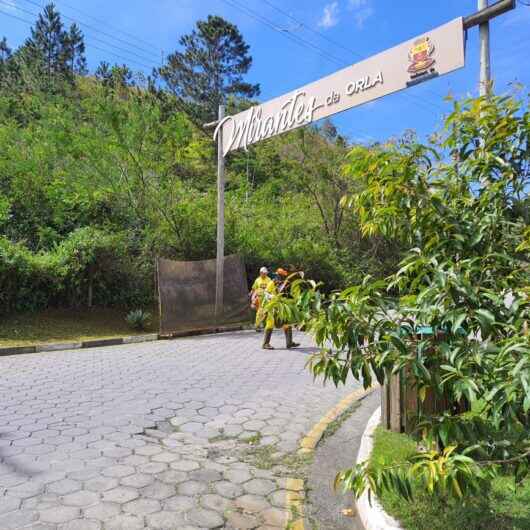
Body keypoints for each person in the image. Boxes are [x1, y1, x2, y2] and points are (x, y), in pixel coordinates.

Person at [262, 268, 301, 350]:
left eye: (282, 276)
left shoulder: (285, 284)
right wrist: (271, 296)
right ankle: (265, 343)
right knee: (270, 323)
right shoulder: (272, 282)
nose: (281, 277)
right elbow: (266, 293)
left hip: (282, 306)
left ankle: (289, 343)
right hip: (273, 306)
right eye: (280, 275)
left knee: (287, 322)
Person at [250, 266, 270, 331]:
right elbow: (254, 288)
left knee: (266, 312)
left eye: (265, 273)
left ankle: (265, 325)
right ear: (260, 273)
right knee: (259, 312)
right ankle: (257, 325)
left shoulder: (269, 279)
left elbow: (272, 288)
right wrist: (251, 294)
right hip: (259, 298)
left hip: (266, 298)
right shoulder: (257, 280)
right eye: (263, 273)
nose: (265, 274)